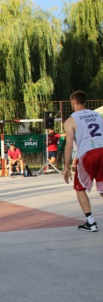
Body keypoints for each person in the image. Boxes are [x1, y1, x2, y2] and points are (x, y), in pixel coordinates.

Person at [63, 90, 103, 232]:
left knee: (79, 188)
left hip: (88, 154)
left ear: (73, 102)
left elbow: (69, 146)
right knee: (102, 187)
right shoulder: (98, 115)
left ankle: (91, 222)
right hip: (102, 150)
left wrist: (66, 167)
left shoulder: (71, 120)